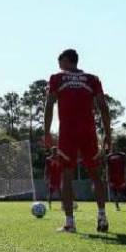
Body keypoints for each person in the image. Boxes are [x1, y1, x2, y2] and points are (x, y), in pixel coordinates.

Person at [43, 48, 112, 234]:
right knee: (95, 174)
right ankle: (102, 217)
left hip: (68, 132)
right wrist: (108, 134)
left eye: (60, 63)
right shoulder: (92, 79)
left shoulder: (57, 78)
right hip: (89, 132)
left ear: (66, 61)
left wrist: (46, 131)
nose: (59, 66)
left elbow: (49, 104)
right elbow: (103, 108)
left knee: (67, 174)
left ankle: (70, 222)